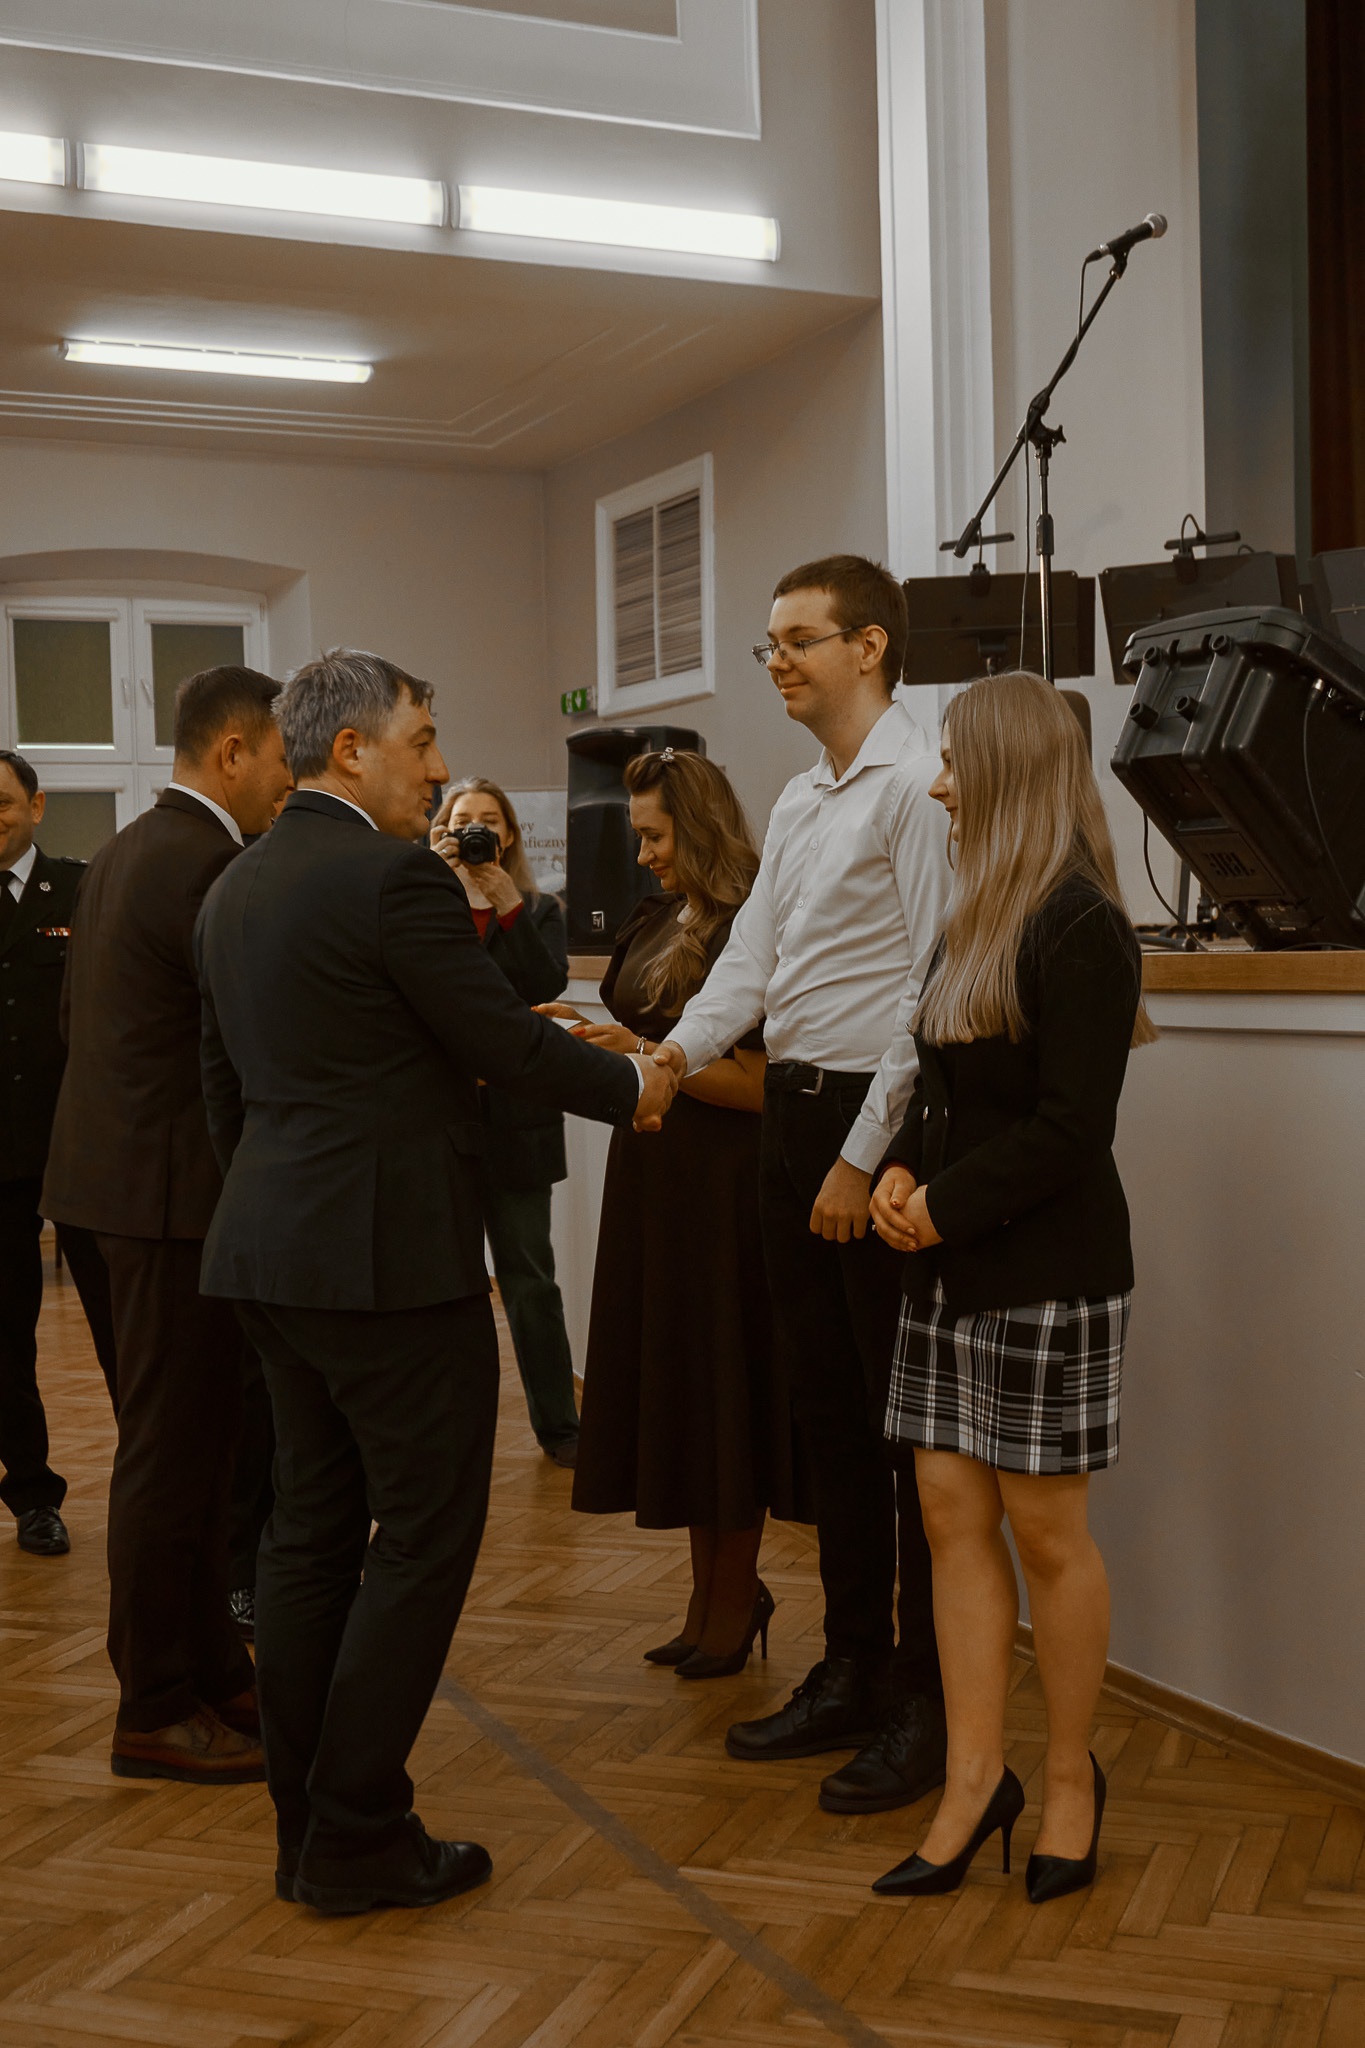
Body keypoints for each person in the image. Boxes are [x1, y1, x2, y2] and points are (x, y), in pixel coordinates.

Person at [194, 649, 675, 1917]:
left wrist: (278, 1208)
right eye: (421, 738)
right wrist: (635, 1086)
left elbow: (221, 1088)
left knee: (308, 1530)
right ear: (351, 748)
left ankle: (307, 1826)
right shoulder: (390, 875)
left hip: (272, 1251)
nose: (440, 763)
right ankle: (358, 1828)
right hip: (388, 1263)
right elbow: (499, 1038)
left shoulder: (235, 882)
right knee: (422, 1533)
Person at [655, 556, 954, 1813]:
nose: (774, 658)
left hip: (868, 1128)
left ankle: (926, 1705)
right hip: (793, 1114)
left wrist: (858, 1157)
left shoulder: (920, 783)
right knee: (826, 1417)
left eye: (796, 639)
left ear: (868, 646)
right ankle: (851, 1667)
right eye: (769, 641)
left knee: (904, 1434)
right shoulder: (798, 796)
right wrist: (674, 1056)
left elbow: (933, 990)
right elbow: (752, 963)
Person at [867, 672, 1154, 1903]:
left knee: (1047, 1534)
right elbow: (943, 1090)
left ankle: (1072, 1777)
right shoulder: (974, 912)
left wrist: (939, 1203)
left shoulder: (1083, 924)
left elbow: (1071, 1127)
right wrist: (897, 1166)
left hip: (1045, 1274)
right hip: (951, 1268)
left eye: (953, 762)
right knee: (948, 1518)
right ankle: (975, 1778)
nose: (939, 785)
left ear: (1007, 772)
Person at [42, 667, 293, 1784]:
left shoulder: (122, 853)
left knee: (202, 1447)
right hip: (168, 1200)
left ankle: (210, 1669)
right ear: (232, 752)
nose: (289, 782)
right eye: (282, 759)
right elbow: (252, 1037)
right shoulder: (205, 864)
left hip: (120, 1190)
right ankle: (150, 1703)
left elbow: (77, 1021)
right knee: (172, 1452)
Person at [545, 749, 803, 1676]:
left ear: (696, 828)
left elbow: (765, 1084)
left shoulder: (754, 920)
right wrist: (623, 1045)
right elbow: (658, 1040)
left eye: (654, 836)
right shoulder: (660, 915)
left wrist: (655, 1061)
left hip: (724, 1191)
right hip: (654, 1179)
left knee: (727, 1396)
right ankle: (710, 1600)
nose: (642, 856)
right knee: (686, 1398)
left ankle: (731, 1600)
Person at [429, 777, 580, 1468]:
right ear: (442, 831)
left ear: (510, 835)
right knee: (448, 1287)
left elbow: (545, 984)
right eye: (463, 821)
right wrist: (435, 878)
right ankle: (453, 1435)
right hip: (441, 1121)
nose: (477, 832)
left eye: (489, 821)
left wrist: (504, 899)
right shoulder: (422, 905)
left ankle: (561, 1428)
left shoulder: (539, 909)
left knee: (530, 1281)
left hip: (519, 1120)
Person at [0, 749, 118, 1557]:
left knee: (120, 1325)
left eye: (2, 802)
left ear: (36, 807)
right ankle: (33, 1495)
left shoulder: (82, 888)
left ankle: (157, 1481)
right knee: (6, 1336)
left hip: (81, 1150)